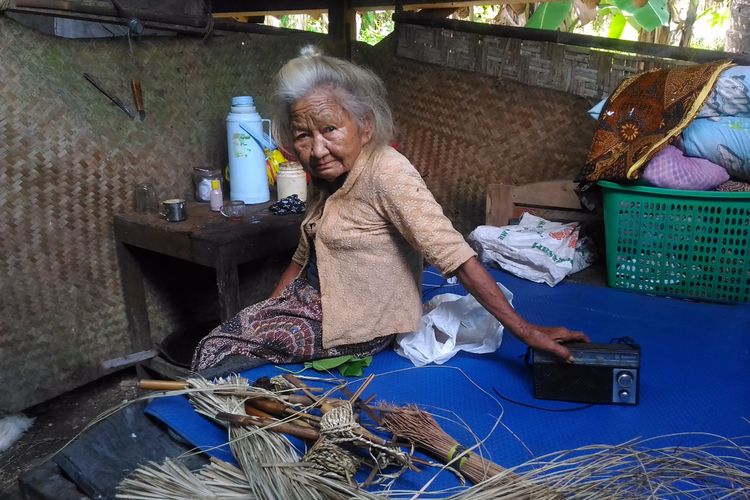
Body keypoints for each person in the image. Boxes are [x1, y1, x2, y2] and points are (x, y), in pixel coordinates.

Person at [192, 47, 588, 373]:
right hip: (315, 299)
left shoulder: (387, 172)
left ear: (364, 125)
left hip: (359, 322)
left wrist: (525, 331)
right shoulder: (330, 173)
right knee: (224, 343)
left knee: (214, 351)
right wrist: (268, 310)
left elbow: (453, 253)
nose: (316, 149)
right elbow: (302, 257)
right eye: (303, 135)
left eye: (329, 129)